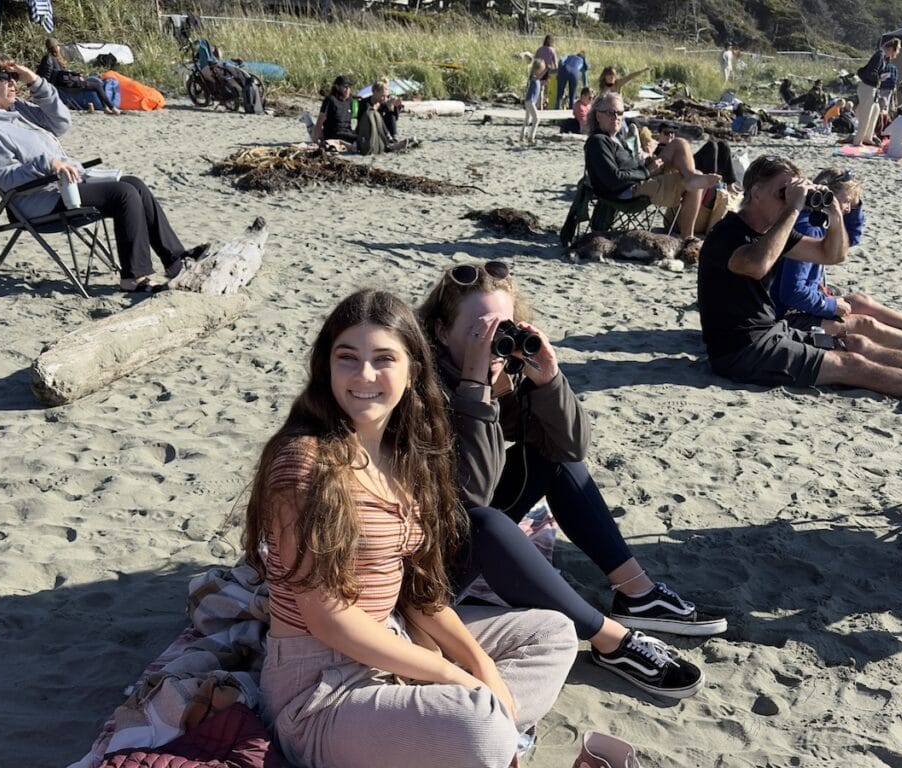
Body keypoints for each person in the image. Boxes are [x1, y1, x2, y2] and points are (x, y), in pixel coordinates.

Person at [246, 289, 578, 768]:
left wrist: (480, 666)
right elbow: (326, 617)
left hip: (396, 641)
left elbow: (417, 593)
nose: (364, 375)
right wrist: (454, 676)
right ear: (326, 367)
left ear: (412, 370)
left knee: (554, 632)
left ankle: (464, 731)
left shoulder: (405, 456)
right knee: (478, 718)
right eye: (347, 358)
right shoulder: (303, 465)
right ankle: (481, 733)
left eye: (384, 359)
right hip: (320, 691)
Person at [418, 262, 717, 701]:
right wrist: (475, 390)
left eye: (501, 328)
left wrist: (549, 381)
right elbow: (470, 495)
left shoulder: (502, 372)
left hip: (459, 521)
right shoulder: (423, 388)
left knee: (554, 460)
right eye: (479, 332)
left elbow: (571, 449)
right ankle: (611, 640)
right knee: (487, 524)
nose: (493, 343)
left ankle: (638, 593)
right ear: (442, 333)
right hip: (430, 560)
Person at [0, 50, 209, 293]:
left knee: (135, 184)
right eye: (5, 77)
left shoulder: (16, 110)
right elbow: (5, 177)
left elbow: (61, 123)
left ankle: (175, 261)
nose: (13, 83)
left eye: (14, 76)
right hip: (36, 199)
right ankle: (133, 277)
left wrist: (36, 82)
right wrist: (48, 164)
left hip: (60, 185)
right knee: (123, 194)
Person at [697, 154, 902, 397]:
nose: (788, 199)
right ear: (756, 192)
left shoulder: (774, 232)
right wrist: (793, 208)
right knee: (851, 364)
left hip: (773, 331)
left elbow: (832, 255)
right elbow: (758, 264)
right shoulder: (726, 234)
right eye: (782, 192)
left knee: (856, 343)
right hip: (740, 352)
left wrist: (834, 215)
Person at [771, 167, 902, 351]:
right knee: (865, 324)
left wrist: (856, 204)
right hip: (786, 316)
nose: (848, 209)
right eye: (846, 202)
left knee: (860, 301)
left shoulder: (817, 219)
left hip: (803, 303)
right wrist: (831, 306)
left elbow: (849, 239)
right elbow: (791, 293)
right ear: (827, 198)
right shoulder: (808, 227)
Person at [585, 92, 714, 240]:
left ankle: (691, 176)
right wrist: (646, 171)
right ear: (598, 116)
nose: (616, 117)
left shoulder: (616, 138)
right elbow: (615, 179)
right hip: (629, 190)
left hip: (640, 175)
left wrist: (647, 162)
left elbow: (628, 164)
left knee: (679, 143)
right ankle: (687, 238)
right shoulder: (598, 141)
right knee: (693, 187)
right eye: (610, 113)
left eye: (620, 113)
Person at [36, 37, 120, 115]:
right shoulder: (49, 59)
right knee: (97, 85)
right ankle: (111, 107)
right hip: (67, 85)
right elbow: (47, 77)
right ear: (56, 47)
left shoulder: (54, 58)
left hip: (68, 82)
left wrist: (76, 74)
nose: (59, 48)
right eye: (58, 46)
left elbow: (62, 73)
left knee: (95, 81)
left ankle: (105, 107)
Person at [854, 37, 900, 146]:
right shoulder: (879, 55)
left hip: (873, 88)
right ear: (889, 49)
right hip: (867, 87)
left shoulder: (882, 57)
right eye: (893, 52)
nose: (892, 56)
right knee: (866, 114)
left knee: (875, 111)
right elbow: (871, 73)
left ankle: (867, 137)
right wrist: (880, 78)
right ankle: (858, 140)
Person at [312, 74, 357, 149]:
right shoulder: (330, 100)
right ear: (337, 87)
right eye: (345, 87)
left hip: (347, 132)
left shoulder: (350, 100)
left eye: (349, 87)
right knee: (358, 140)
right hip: (333, 133)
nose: (348, 89)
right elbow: (320, 119)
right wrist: (315, 140)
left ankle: (348, 145)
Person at [520, 57, 544, 145]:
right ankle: (531, 137)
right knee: (537, 119)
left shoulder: (537, 79)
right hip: (529, 101)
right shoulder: (533, 77)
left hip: (530, 101)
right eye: (541, 70)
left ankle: (522, 136)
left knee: (527, 120)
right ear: (536, 70)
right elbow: (534, 73)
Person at [533, 34, 557, 108]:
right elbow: (555, 63)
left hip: (538, 70)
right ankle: (541, 105)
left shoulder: (539, 49)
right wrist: (557, 72)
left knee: (539, 87)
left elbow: (535, 60)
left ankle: (538, 104)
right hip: (547, 71)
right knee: (544, 89)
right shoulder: (552, 50)